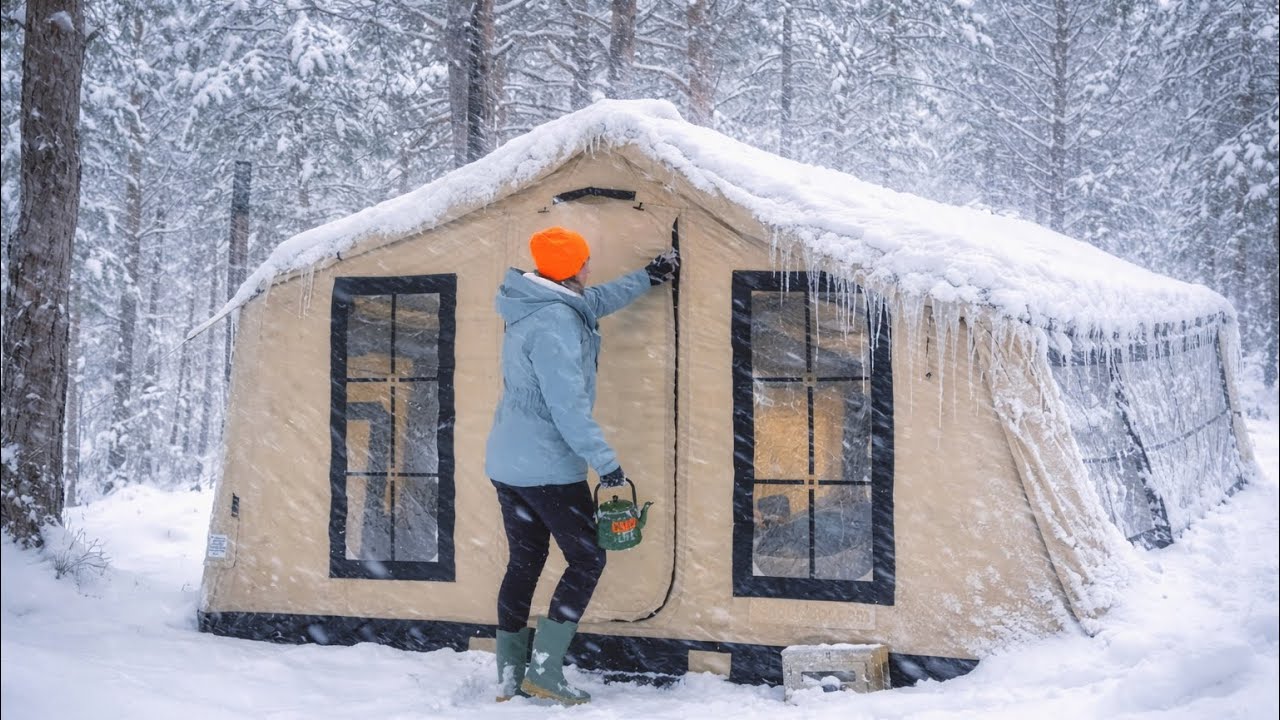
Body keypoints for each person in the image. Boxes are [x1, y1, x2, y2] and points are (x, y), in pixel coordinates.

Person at [484, 226, 679, 705]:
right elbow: (567, 407)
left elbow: (595, 301)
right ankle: (545, 674)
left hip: (509, 461)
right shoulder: (555, 325)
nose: (591, 268)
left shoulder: (535, 302)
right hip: (546, 467)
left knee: (525, 561)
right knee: (588, 557)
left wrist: (648, 278)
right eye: (585, 261)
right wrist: (608, 466)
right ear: (572, 268)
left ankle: (510, 673)